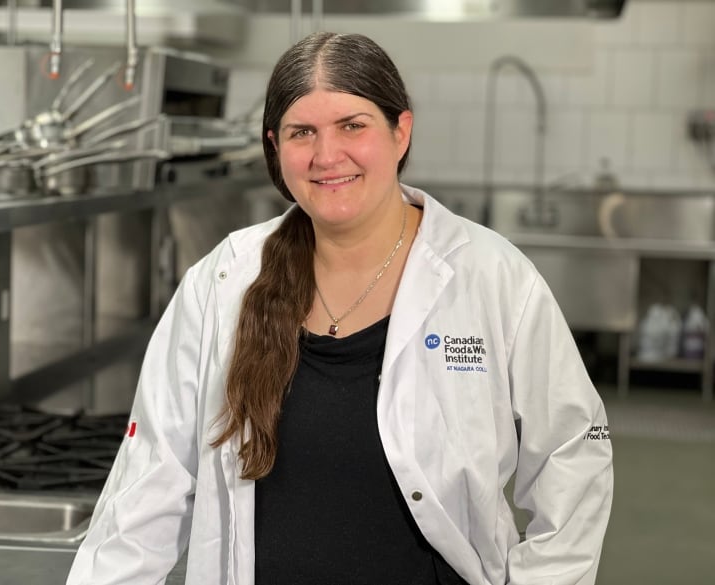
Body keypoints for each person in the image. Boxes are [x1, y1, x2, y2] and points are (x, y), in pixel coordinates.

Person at [66, 32, 613, 585]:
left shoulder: (492, 277)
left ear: (401, 132)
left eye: (353, 126)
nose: (328, 156)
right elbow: (148, 488)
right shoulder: (222, 281)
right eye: (303, 133)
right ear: (276, 148)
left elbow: (574, 450)